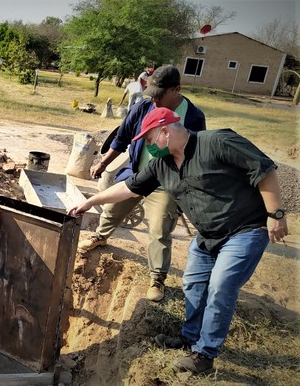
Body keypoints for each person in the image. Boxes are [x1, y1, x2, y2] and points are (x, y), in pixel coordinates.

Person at [68, 107, 288, 375]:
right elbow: (127, 188)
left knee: (220, 287)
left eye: (149, 140)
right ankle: (190, 338)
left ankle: (204, 355)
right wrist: (90, 201)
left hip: (245, 229)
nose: (149, 147)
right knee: (193, 284)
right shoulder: (162, 165)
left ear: (164, 131)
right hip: (207, 236)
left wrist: (275, 214)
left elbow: (264, 170)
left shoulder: (217, 142)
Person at [79, 66, 206, 302]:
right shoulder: (143, 107)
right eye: (152, 94)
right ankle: (101, 236)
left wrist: (185, 192)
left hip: (166, 183)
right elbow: (123, 137)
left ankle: (157, 277)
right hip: (137, 174)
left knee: (159, 229)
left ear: (176, 89)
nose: (154, 100)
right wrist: (103, 163)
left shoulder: (194, 116)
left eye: (160, 95)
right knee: (112, 209)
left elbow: (194, 157)